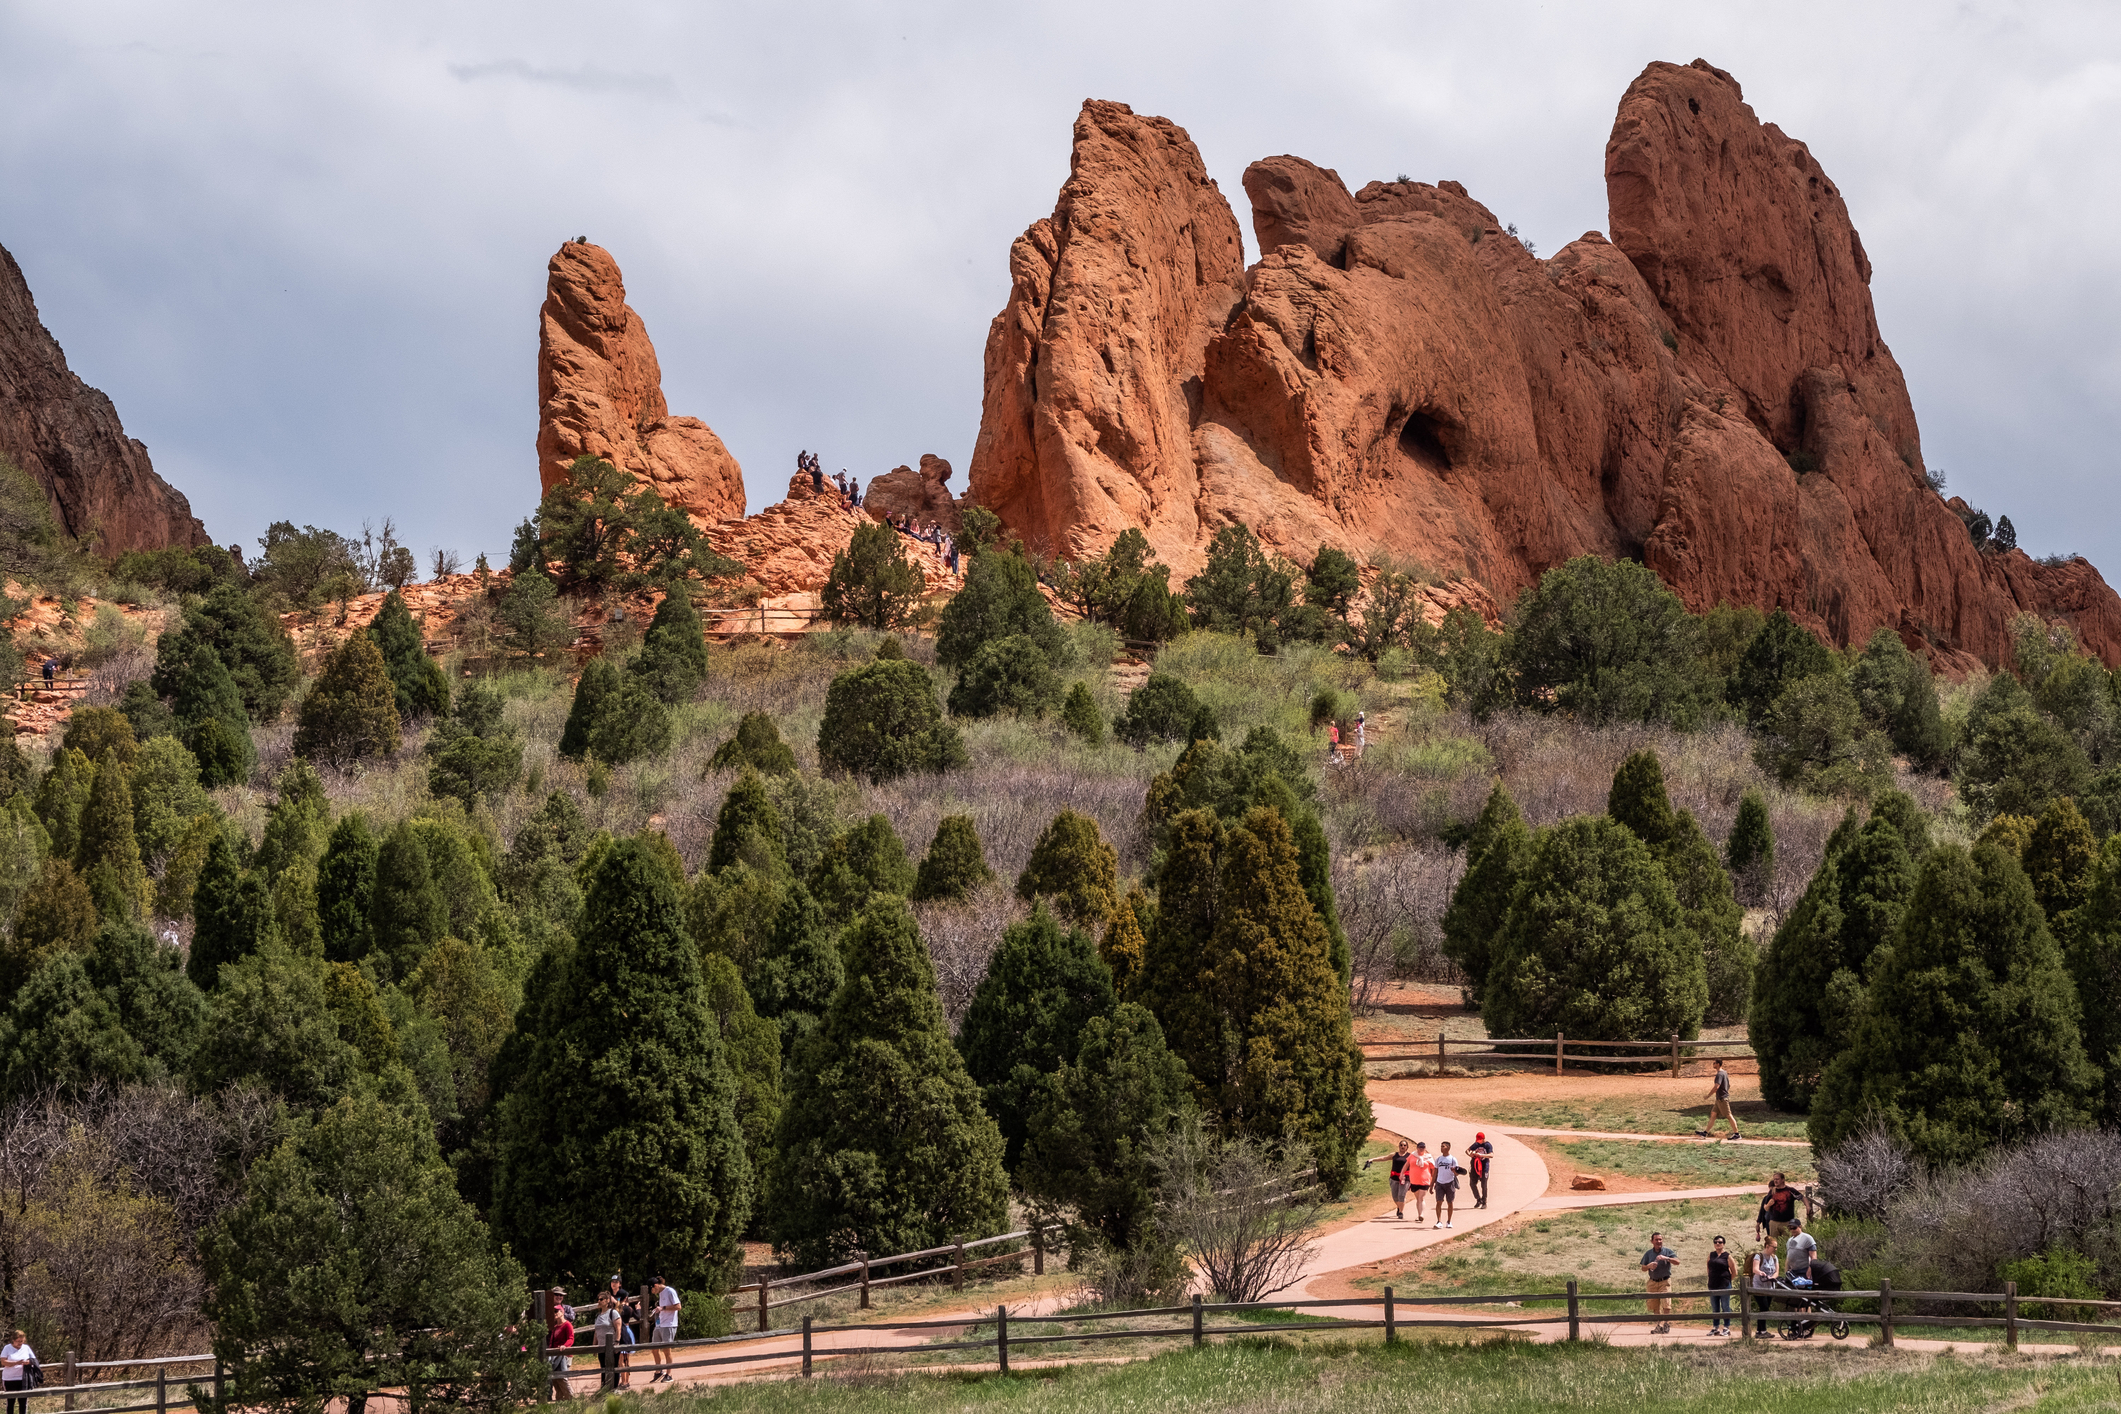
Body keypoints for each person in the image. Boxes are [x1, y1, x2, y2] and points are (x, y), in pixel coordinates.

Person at [1364, 1138, 1417, 1219]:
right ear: (1399, 1146)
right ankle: (1399, 1206)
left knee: (1401, 1195)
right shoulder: (1394, 1155)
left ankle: (1401, 1212)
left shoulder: (1410, 1156)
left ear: (1407, 1147)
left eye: (1404, 1145)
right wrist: (1372, 1159)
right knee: (1395, 1196)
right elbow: (1383, 1158)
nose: (1402, 1146)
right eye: (1401, 1145)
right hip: (1394, 1177)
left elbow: (1416, 1165)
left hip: (1404, 1178)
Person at [1640, 1232, 1677, 1335]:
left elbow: (1677, 1262)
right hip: (1652, 1282)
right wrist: (1649, 1266)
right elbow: (1643, 1268)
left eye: (1660, 1239)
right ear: (1652, 1241)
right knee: (1654, 1305)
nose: (1658, 1242)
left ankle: (1666, 1324)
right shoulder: (1648, 1254)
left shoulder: (1667, 1251)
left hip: (1665, 1281)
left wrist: (1667, 1258)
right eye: (1656, 1240)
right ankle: (1658, 1326)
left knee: (1666, 1303)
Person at [1699, 1057, 1742, 1139]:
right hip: (1719, 1099)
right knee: (1713, 1115)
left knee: (1729, 1115)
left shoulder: (1719, 1074)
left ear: (1718, 1064)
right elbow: (1728, 1085)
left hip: (1722, 1099)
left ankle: (1737, 1134)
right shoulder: (1724, 1073)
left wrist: (1708, 1095)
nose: (1713, 1064)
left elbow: (1716, 1087)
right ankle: (1705, 1133)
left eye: (1714, 1063)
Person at [546, 1291, 576, 1401]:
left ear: (562, 1312)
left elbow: (571, 1339)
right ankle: (560, 1401)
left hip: (565, 1354)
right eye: (554, 1311)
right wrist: (549, 1351)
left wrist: (565, 1346)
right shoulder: (555, 1327)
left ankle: (571, 1399)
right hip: (555, 1355)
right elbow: (551, 1342)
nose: (555, 1313)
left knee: (563, 1378)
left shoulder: (567, 1325)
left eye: (557, 1311)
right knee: (555, 1379)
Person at [649, 1276, 681, 1381]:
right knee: (654, 1348)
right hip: (660, 1324)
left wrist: (663, 1308)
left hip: (669, 1324)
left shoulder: (670, 1291)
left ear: (656, 1286)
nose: (653, 1292)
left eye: (652, 1289)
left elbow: (678, 1306)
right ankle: (659, 1371)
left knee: (667, 1350)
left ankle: (669, 1374)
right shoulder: (661, 1293)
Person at [1756, 1173, 1799, 1246]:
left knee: (1785, 1242)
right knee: (1773, 1242)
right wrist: (1758, 1223)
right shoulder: (1768, 1198)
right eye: (1770, 1189)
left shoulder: (1787, 1192)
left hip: (1783, 1221)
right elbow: (1762, 1211)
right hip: (1771, 1222)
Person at [592, 1294, 623, 1392]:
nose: (599, 1301)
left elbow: (618, 1329)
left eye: (601, 1299)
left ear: (607, 1301)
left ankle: (614, 1388)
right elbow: (596, 1332)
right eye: (598, 1299)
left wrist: (617, 1342)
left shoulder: (613, 1313)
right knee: (603, 1368)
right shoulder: (598, 1315)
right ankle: (604, 1388)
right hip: (601, 1346)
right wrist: (594, 1346)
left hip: (611, 1346)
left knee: (613, 1367)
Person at [1749, 1243, 1780, 1337]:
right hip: (1758, 1286)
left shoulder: (1774, 1258)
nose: (1775, 1249)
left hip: (1769, 1287)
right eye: (1773, 1247)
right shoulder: (1758, 1256)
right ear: (1767, 1246)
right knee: (1764, 1307)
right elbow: (1755, 1269)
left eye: (1776, 1247)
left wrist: (1772, 1277)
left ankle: (1759, 1331)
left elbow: (1777, 1271)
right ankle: (1763, 1331)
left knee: (1765, 1308)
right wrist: (1761, 1273)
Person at [1706, 1236, 1735, 1336]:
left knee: (1725, 1306)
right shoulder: (1711, 1255)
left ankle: (1726, 1327)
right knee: (1715, 1307)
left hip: (1724, 1285)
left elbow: (1734, 1271)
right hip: (1713, 1285)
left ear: (1723, 1244)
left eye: (1720, 1242)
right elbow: (1708, 1268)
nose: (1718, 1244)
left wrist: (1727, 1281)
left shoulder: (1727, 1256)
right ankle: (1715, 1327)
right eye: (1716, 1242)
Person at [1, 1329, 34, 1414]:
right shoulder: (7, 1348)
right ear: (13, 1340)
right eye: (18, 1341)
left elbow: (33, 1360)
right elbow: (3, 1362)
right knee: (11, 1401)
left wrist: (28, 1362)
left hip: (23, 1378)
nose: (20, 1343)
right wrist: (17, 1362)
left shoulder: (26, 1348)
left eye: (22, 1341)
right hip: (10, 1379)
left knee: (23, 1402)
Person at [1431, 1141, 1460, 1229]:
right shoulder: (1438, 1159)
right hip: (1439, 1183)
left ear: (1448, 1148)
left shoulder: (1452, 1159)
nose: (1441, 1148)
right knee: (1439, 1201)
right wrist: (1431, 1185)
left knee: (1450, 1202)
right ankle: (1439, 1221)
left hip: (1450, 1183)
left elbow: (1457, 1173)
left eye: (1443, 1146)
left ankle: (1449, 1221)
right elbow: (1435, 1173)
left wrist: (1454, 1171)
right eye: (1441, 1146)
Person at [1407, 1142, 1435, 1223]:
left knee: (1421, 1198)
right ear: (1417, 1148)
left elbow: (1433, 1169)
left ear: (1425, 1148)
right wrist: (1402, 1173)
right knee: (1418, 1198)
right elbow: (1406, 1164)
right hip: (1414, 1180)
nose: (1421, 1149)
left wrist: (1433, 1180)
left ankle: (1421, 1215)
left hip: (1425, 1180)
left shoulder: (1428, 1157)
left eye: (1423, 1147)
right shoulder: (1412, 1156)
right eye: (1420, 1147)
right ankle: (1419, 1214)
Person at [1467, 1132, 1493, 1209]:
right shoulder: (1476, 1144)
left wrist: (1481, 1155)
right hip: (1475, 1167)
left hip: (1484, 1168)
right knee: (1472, 1183)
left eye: (1479, 1140)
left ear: (1483, 1139)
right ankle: (1478, 1199)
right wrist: (1470, 1154)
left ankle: (1484, 1201)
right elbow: (1467, 1150)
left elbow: (1491, 1155)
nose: (1478, 1142)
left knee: (1484, 1185)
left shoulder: (1488, 1145)